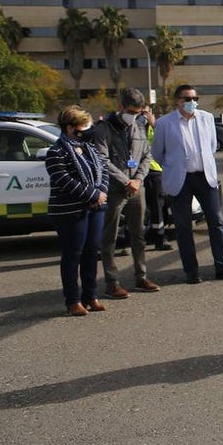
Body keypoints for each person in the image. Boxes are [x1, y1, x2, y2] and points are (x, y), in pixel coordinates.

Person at [151, 85, 223, 284]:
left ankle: (222, 267)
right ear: (178, 101)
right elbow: (157, 153)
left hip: (204, 177)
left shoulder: (206, 118)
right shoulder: (164, 123)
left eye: (195, 98)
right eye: (187, 98)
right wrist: (174, 167)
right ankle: (191, 272)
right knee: (183, 227)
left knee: (216, 222)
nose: (192, 102)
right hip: (180, 180)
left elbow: (212, 146)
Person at [91, 88, 160, 298]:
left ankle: (141, 276)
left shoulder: (139, 126)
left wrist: (138, 179)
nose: (134, 116)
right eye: (131, 111)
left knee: (138, 235)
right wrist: (125, 181)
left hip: (136, 189)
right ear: (120, 106)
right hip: (114, 190)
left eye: (138, 113)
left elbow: (146, 156)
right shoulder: (104, 128)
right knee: (110, 237)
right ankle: (112, 282)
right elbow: (102, 159)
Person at [45, 105, 109, 316]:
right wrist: (91, 195)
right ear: (70, 128)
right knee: (73, 254)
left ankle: (91, 295)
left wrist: (100, 192)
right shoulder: (56, 152)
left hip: (96, 208)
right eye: (83, 126)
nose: (87, 130)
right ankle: (73, 300)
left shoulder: (89, 148)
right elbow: (64, 180)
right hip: (70, 211)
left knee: (92, 252)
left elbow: (103, 170)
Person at [141, 108, 173, 251]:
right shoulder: (132, 128)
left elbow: (168, 142)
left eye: (146, 112)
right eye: (141, 113)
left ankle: (159, 238)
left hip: (155, 171)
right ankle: (132, 241)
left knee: (158, 206)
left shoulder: (157, 127)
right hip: (137, 173)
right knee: (138, 208)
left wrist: (154, 124)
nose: (143, 116)